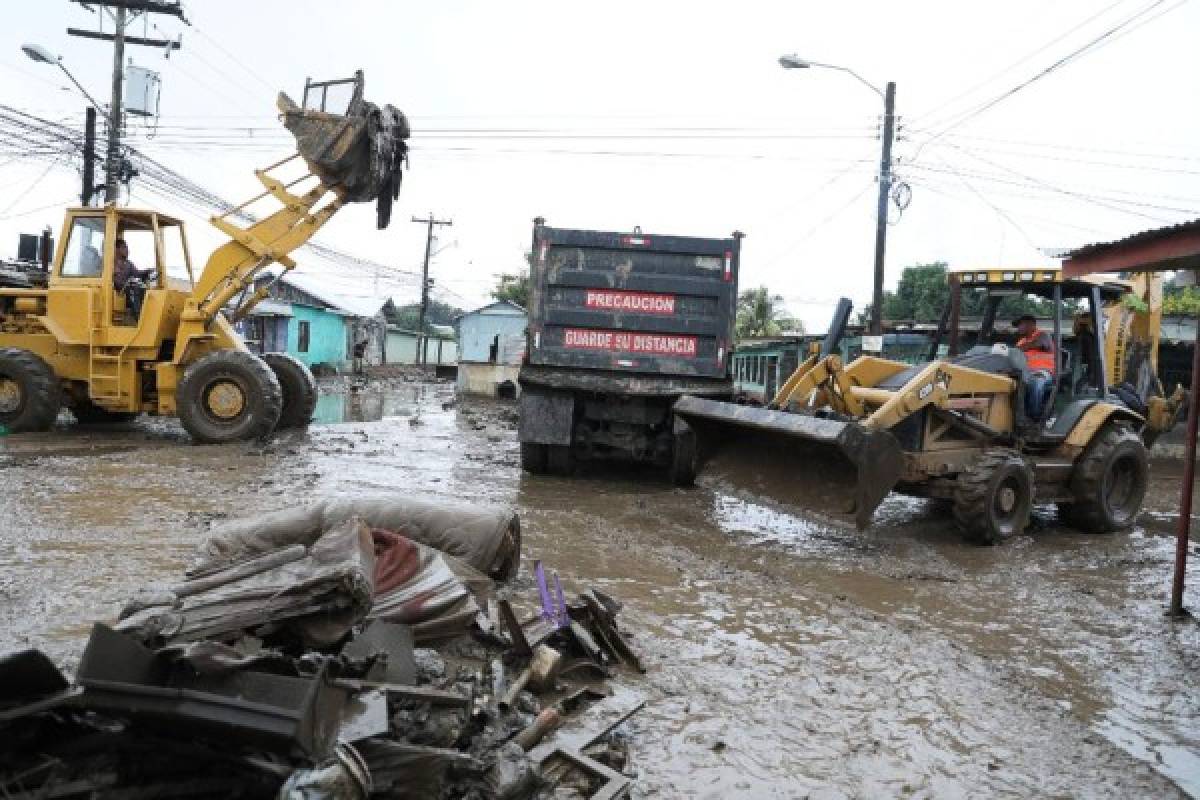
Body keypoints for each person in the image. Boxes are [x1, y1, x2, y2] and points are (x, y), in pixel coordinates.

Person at [1012, 314, 1056, 418]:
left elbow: (1039, 343)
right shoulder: (1020, 342)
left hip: (1043, 373)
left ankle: (1034, 417)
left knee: (1036, 383)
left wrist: (1017, 350)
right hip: (1024, 373)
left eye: (1020, 325)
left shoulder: (1043, 335)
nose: (1018, 328)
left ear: (1031, 324)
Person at [112, 238, 153, 323]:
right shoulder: (110, 263)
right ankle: (138, 317)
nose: (127, 250)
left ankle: (146, 315)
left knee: (143, 288)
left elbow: (137, 274)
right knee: (134, 289)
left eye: (126, 248)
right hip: (115, 290)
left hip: (126, 288)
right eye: (124, 247)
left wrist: (147, 272)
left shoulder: (128, 264)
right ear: (117, 249)